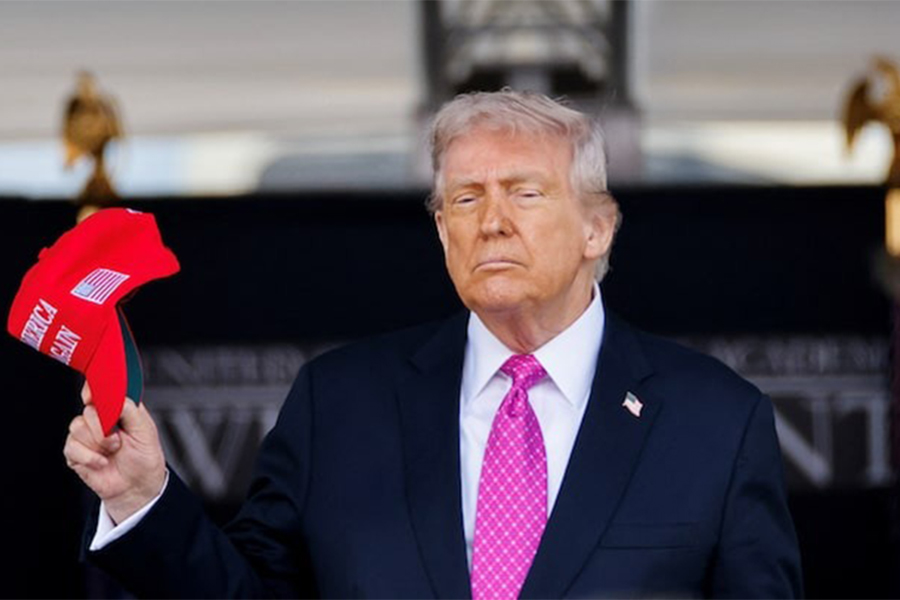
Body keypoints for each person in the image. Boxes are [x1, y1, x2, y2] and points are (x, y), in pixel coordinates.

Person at [64, 90, 803, 599]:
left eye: (526, 191)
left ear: (597, 228)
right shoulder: (342, 404)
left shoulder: (715, 420)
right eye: (466, 198)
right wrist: (142, 499)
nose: (492, 221)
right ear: (442, 230)